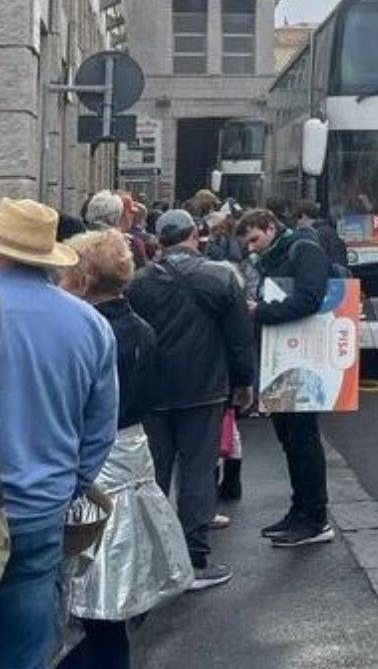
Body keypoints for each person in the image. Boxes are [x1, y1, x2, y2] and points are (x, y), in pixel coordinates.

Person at [56, 230, 193, 669]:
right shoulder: (141, 328)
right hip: (132, 459)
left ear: (80, 278)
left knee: (82, 598)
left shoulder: (87, 333)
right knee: (110, 603)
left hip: (96, 469)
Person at [0, 198, 117, 669]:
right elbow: (99, 430)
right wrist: (68, 485)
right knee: (27, 647)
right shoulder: (89, 324)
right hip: (41, 506)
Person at [126, 209, 256, 589]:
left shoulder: (138, 283)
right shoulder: (220, 276)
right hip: (204, 389)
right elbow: (238, 339)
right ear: (194, 234)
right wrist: (243, 383)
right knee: (198, 472)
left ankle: (152, 560)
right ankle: (194, 560)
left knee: (154, 475)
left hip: (154, 392)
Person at [235, 209, 336, 547]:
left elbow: (309, 298)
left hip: (302, 359)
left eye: (255, 239)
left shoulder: (303, 248)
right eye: (247, 243)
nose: (252, 248)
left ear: (271, 227)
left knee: (303, 438)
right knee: (289, 439)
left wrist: (259, 311)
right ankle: (300, 509)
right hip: (281, 360)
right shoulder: (276, 255)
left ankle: (316, 517)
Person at [293, 199, 349, 269]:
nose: (295, 223)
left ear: (304, 216)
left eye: (296, 217)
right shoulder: (330, 232)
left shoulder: (308, 236)